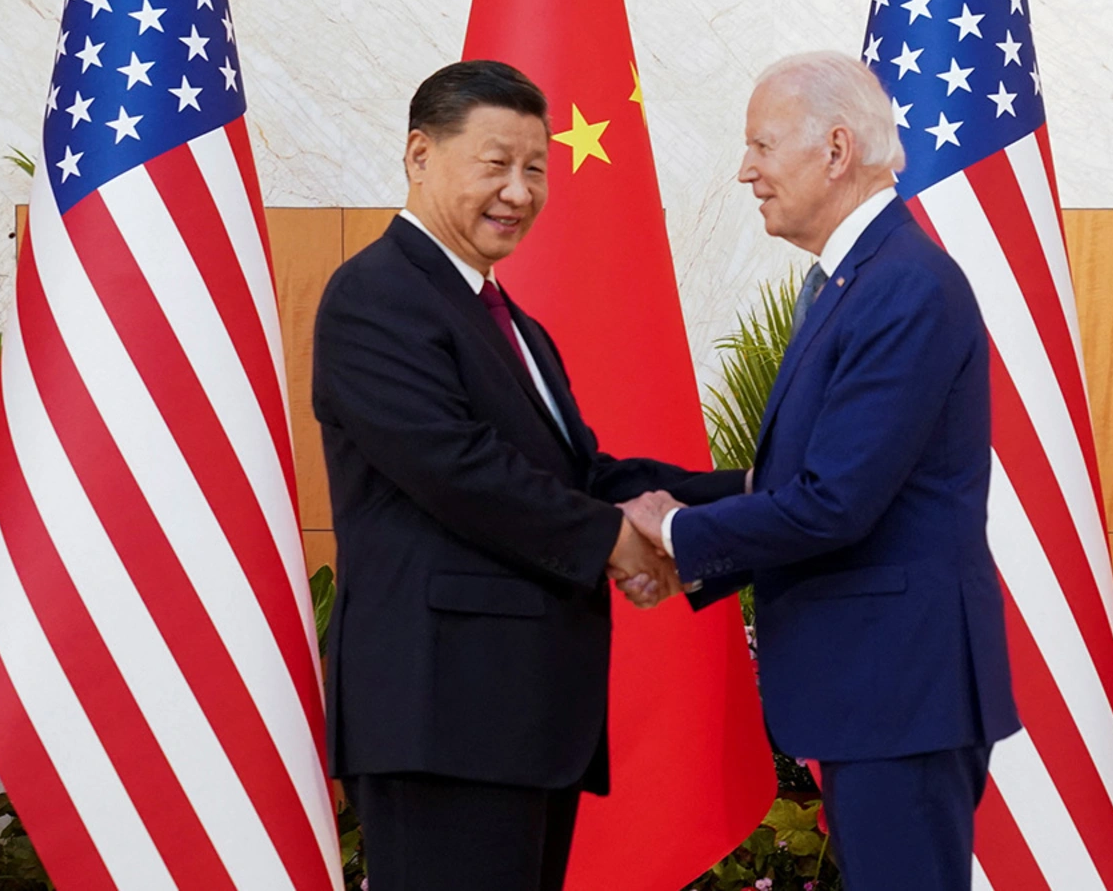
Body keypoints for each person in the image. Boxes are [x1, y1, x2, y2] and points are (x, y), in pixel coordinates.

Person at [311, 60, 744, 891]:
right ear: (420, 155)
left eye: (536, 167)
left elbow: (585, 473)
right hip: (442, 718)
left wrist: (758, 494)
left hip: (517, 717)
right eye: (495, 163)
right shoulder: (375, 296)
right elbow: (459, 470)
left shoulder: (513, 323)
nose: (519, 190)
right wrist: (616, 541)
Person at [621, 52, 1021, 891]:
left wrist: (672, 532)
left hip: (898, 691)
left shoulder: (902, 286)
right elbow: (802, 478)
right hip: (881, 690)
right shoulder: (854, 281)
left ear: (836, 150)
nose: (745, 172)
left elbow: (834, 502)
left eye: (762, 146)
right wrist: (626, 488)